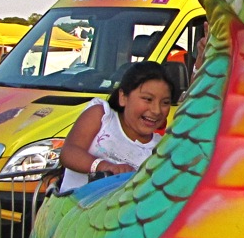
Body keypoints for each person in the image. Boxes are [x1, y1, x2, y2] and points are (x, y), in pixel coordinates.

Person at [58, 61, 175, 194]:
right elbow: (69, 152)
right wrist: (104, 166)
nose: (156, 110)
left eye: (165, 102)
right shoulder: (102, 116)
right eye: (148, 99)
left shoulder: (161, 150)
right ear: (123, 97)